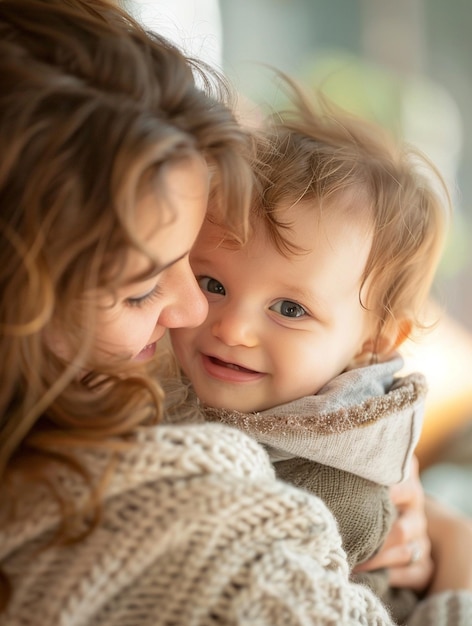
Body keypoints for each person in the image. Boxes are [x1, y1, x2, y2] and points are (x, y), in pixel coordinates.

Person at [1, 1, 472, 625]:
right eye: (146, 287)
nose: (201, 313)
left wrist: (441, 527)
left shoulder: (346, 484)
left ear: (376, 342)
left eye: (288, 307)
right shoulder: (219, 562)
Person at [169, 78, 450, 622]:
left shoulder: (335, 487)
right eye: (213, 284)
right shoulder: (159, 355)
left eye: (290, 310)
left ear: (374, 341)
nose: (233, 330)